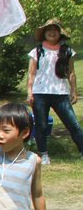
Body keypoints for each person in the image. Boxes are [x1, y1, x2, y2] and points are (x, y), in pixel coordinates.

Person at [25, 19, 83, 164]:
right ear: (44, 33)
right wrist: (29, 92)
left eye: (55, 29)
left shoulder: (67, 51)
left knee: (73, 125)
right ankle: (43, 154)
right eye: (48, 29)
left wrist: (74, 91)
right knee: (41, 125)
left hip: (61, 93)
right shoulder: (37, 51)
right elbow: (31, 73)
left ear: (60, 33)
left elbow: (71, 72)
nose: (52, 32)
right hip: (40, 93)